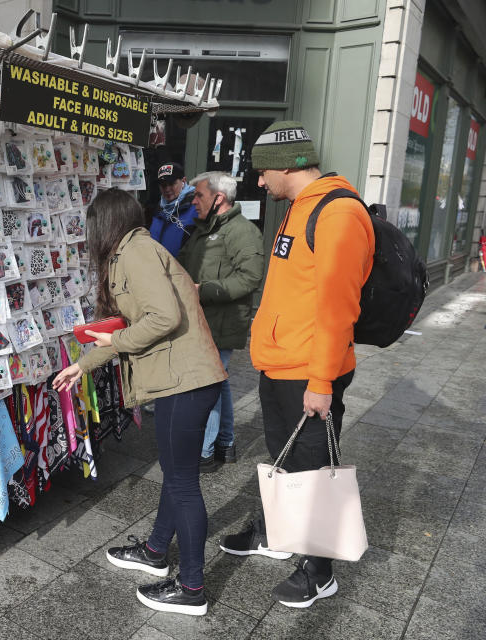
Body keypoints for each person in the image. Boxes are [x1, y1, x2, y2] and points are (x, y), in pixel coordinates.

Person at [217, 121, 375, 608]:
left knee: (313, 467)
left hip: (310, 372)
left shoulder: (338, 214)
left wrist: (322, 380)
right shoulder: (295, 209)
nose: (259, 183)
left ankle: (320, 571)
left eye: (263, 173)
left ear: (286, 165)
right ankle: (274, 532)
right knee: (283, 459)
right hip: (280, 365)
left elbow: (337, 307)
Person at [53, 189, 227, 616]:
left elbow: (163, 317)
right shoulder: (131, 251)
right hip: (183, 378)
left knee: (182, 482)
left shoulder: (135, 251)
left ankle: (191, 589)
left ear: (105, 224)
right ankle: (154, 551)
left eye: (91, 223)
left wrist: (116, 339)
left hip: (182, 380)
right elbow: (132, 323)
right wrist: (87, 362)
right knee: (176, 473)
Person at [178, 172, 264, 473]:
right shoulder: (201, 229)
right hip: (202, 322)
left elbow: (251, 277)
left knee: (208, 384)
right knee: (219, 381)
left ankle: (205, 451)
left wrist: (205, 291)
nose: (193, 200)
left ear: (219, 198)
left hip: (221, 324)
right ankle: (225, 442)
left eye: (199, 195)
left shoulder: (242, 232)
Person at [149, 162, 197, 257]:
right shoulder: (160, 207)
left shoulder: (196, 206)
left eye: (171, 183)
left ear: (183, 181)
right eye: (163, 185)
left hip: (182, 269)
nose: (167, 189)